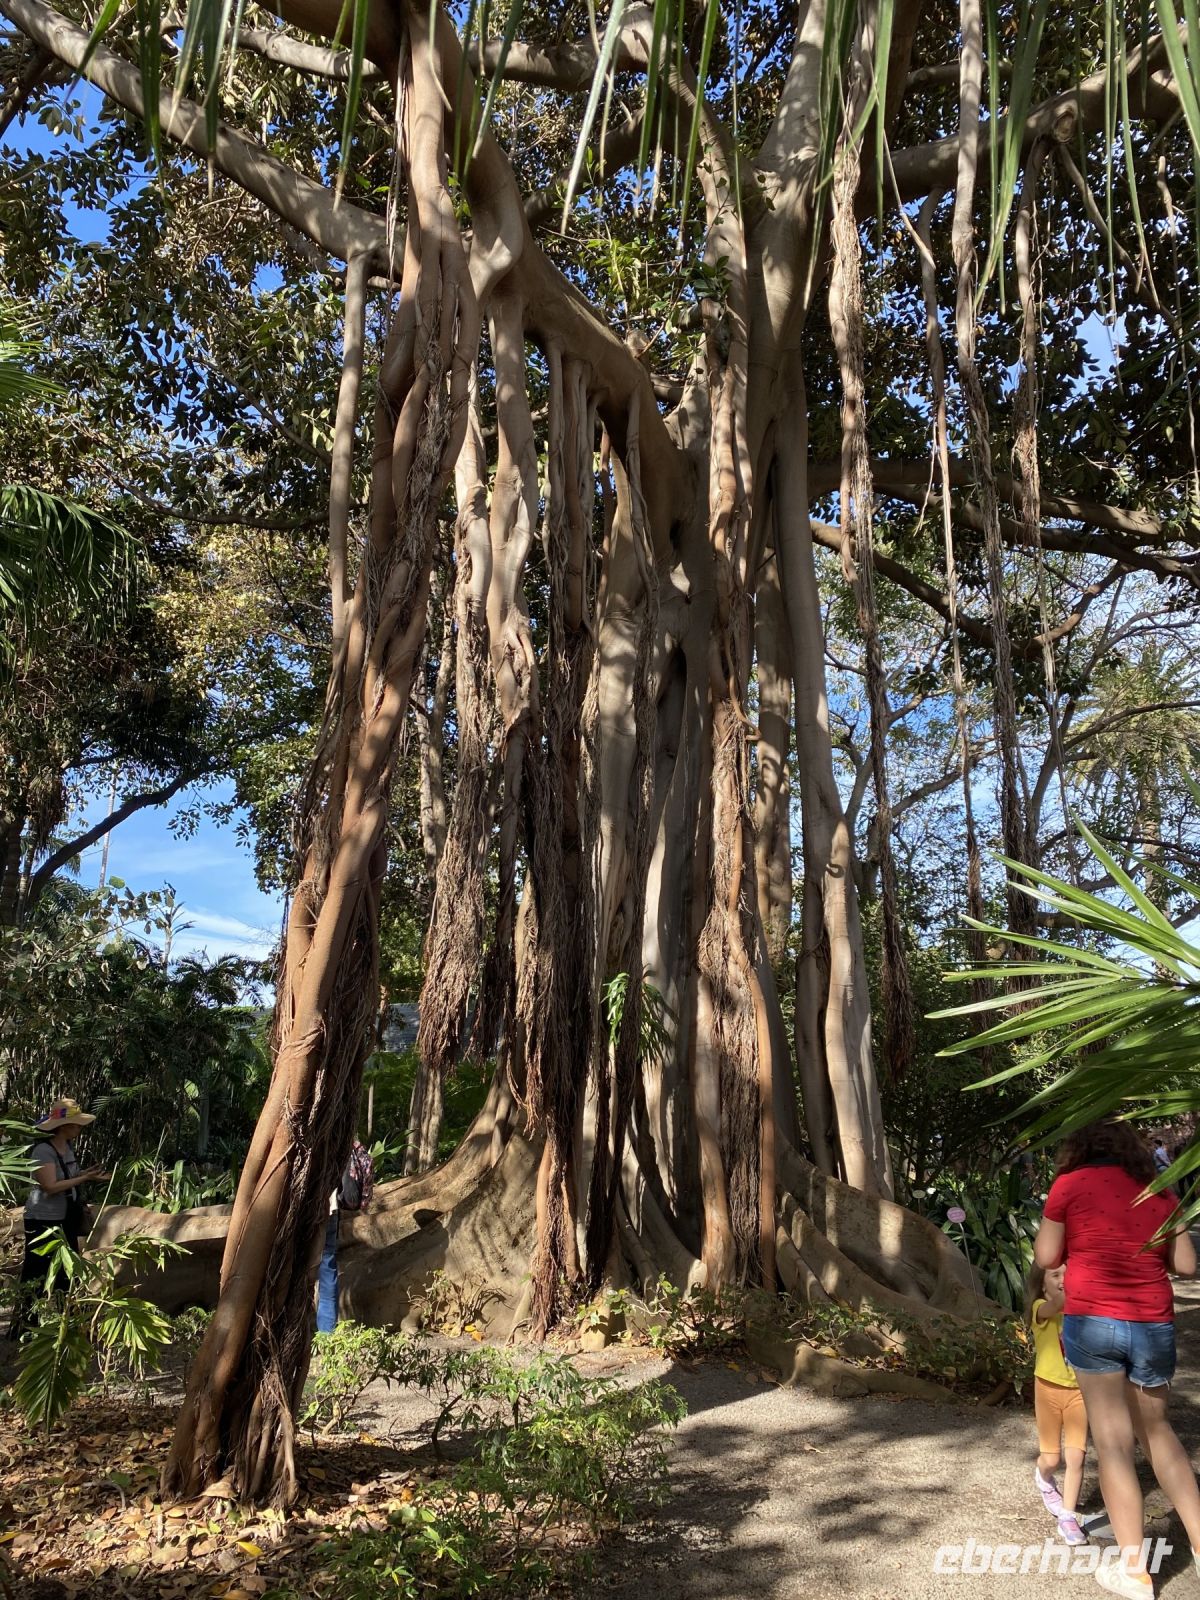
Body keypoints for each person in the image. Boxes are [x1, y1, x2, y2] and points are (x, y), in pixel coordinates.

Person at [1035, 1120, 1200, 1599]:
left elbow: (1048, 1256)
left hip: (1092, 1323)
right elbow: (1187, 1265)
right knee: (1156, 1430)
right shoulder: (1161, 1191)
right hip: (1151, 1323)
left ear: (1079, 1150)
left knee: (1112, 1444)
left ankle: (1135, 1573)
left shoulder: (1068, 1185)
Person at [11, 1098, 108, 1335]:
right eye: (75, 1124)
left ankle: (69, 1321)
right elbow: (50, 1186)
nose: (78, 1128)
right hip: (43, 1218)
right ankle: (23, 1324)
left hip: (65, 1217)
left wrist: (86, 1175)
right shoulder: (43, 1150)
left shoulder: (67, 1148)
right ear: (63, 1126)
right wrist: (83, 1179)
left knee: (68, 1268)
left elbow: (67, 1178)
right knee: (37, 1270)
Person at [1028, 1261, 1089, 1545]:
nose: (1063, 1280)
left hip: (1080, 1392)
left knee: (1076, 1455)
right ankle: (1043, 1478)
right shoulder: (1040, 1309)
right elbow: (1055, 1306)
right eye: (1056, 1276)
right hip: (1047, 1390)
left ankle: (1068, 1516)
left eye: (1068, 1275)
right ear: (1042, 1284)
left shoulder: (1083, 1312)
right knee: (1051, 1459)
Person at [316, 1138, 374, 1334]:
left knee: (304, 1266)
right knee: (327, 1268)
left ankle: (303, 1325)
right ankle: (325, 1333)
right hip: (330, 1208)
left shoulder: (314, 1133)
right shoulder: (346, 1139)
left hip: (307, 1210)